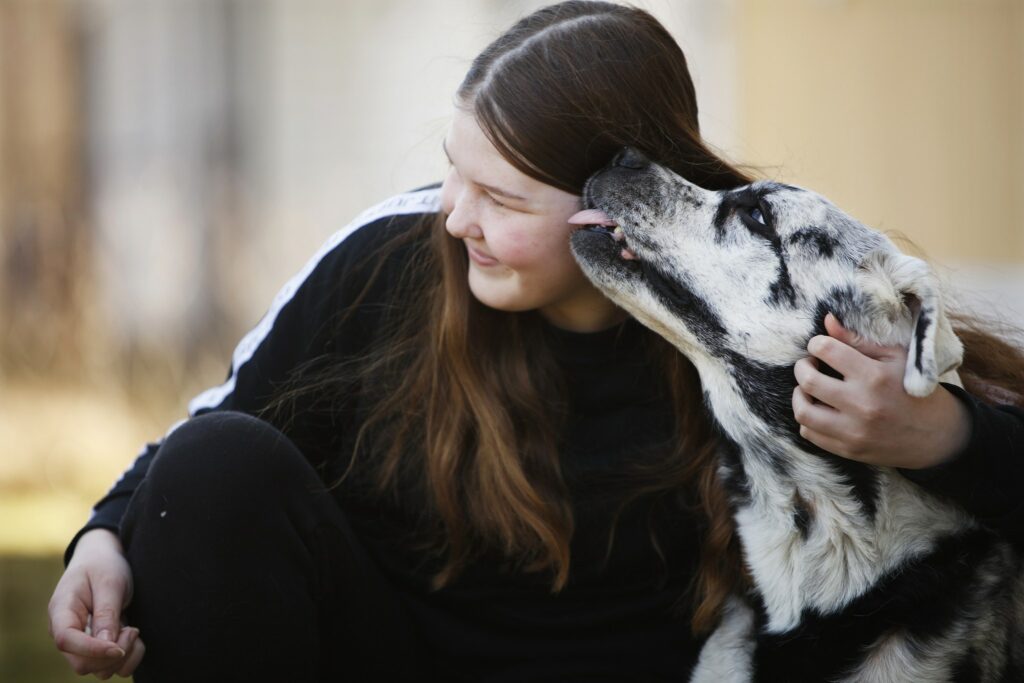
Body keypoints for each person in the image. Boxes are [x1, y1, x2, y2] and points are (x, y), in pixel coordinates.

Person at [47, 2, 1024, 680]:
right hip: (391, 660)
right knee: (214, 464)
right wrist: (104, 533)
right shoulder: (393, 258)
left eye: (502, 197)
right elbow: (210, 425)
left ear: (618, 201)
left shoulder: (753, 306)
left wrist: (942, 436)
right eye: (452, 171)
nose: (452, 217)